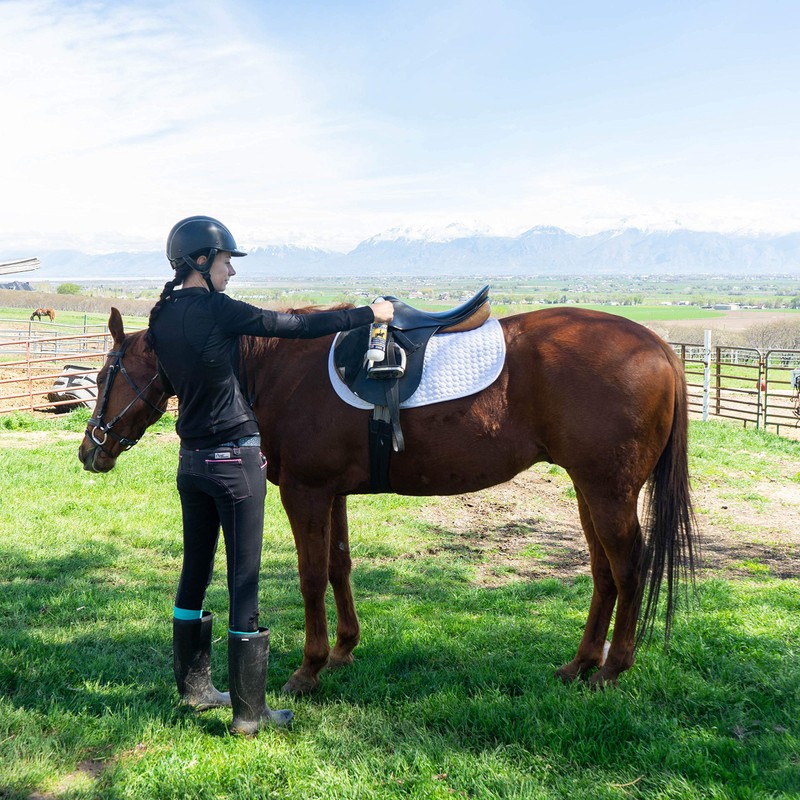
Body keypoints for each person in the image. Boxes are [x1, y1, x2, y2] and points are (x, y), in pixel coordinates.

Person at [146, 215, 393, 735]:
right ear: (200, 261)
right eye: (225, 260)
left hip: (190, 462)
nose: (231, 270)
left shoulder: (161, 315)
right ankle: (249, 713)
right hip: (235, 460)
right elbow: (294, 328)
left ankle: (194, 689)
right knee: (244, 582)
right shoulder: (217, 308)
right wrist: (367, 314)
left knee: (194, 573)